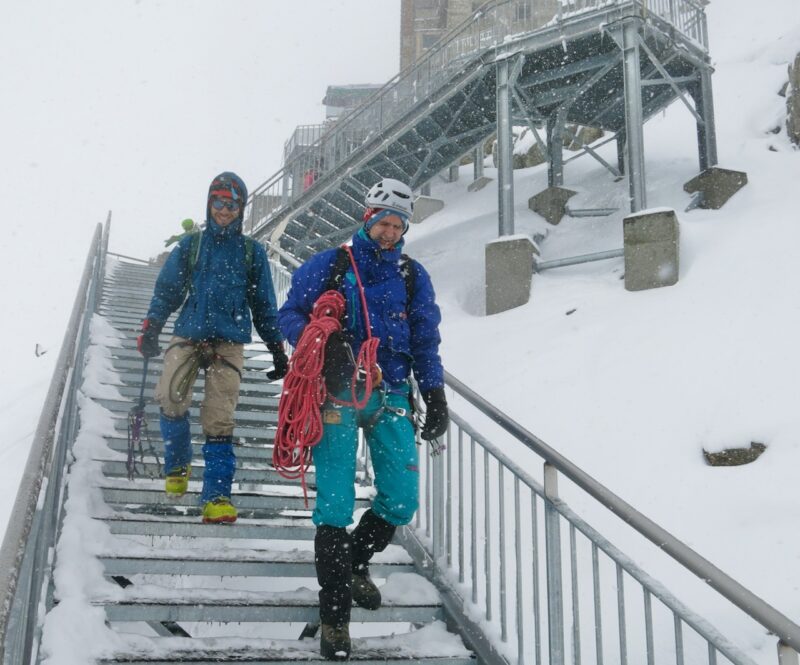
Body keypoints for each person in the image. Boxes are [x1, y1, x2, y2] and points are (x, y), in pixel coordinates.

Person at [277, 177, 449, 660]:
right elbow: (287, 313)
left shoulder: (413, 276)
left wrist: (434, 393)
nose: (390, 233)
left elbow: (425, 338)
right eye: (382, 223)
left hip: (391, 393)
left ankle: (352, 562)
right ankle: (335, 618)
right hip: (336, 395)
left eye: (398, 225)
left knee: (400, 499)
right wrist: (322, 340)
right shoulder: (331, 265)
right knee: (334, 504)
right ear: (366, 218)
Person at [137, 172, 289, 524]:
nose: (224, 210)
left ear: (241, 209)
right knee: (171, 396)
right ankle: (178, 461)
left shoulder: (252, 253)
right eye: (218, 202)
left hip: (229, 340)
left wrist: (276, 348)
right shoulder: (192, 246)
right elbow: (168, 290)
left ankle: (217, 495)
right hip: (190, 332)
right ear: (209, 203)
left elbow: (264, 305)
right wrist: (152, 326)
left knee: (220, 416)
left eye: (231, 204)